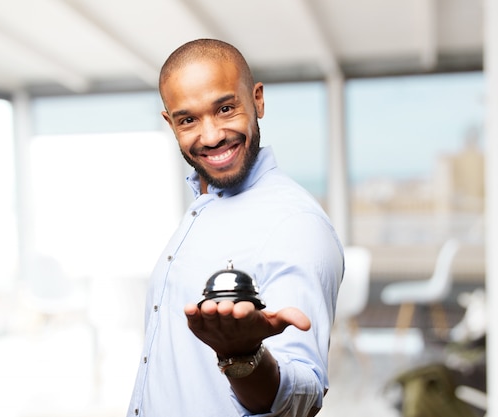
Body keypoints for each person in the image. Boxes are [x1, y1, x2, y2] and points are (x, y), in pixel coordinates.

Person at [126, 38, 344, 417]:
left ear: (257, 100)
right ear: (169, 122)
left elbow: (303, 396)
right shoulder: (201, 206)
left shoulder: (294, 225)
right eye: (188, 119)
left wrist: (243, 356)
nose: (210, 136)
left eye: (225, 108)